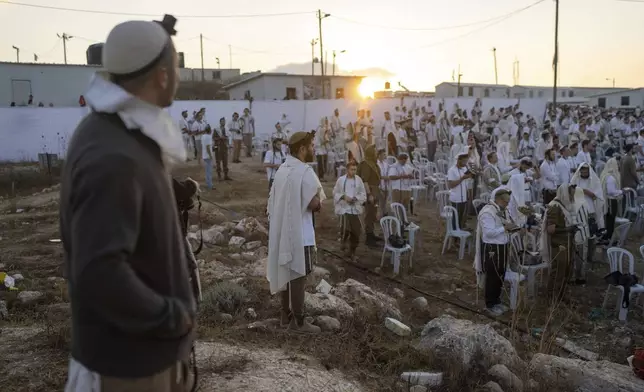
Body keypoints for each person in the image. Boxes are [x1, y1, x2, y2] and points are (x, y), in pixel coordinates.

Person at [61, 15, 196, 391]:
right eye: (176, 67)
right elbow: (99, 272)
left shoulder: (117, 132)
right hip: (130, 369)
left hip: (138, 359)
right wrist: (172, 316)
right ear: (163, 76)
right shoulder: (114, 155)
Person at [267, 131, 325, 333]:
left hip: (284, 231)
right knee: (298, 273)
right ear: (302, 149)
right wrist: (318, 204)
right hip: (301, 233)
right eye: (311, 146)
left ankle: (286, 316)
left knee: (287, 270)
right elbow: (313, 202)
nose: (313, 149)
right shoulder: (304, 171)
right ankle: (299, 321)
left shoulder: (283, 170)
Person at [474, 187, 513, 316]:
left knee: (500, 274)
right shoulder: (487, 212)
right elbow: (489, 233)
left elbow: (505, 224)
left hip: (502, 246)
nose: (507, 204)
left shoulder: (501, 210)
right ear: (498, 199)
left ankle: (497, 301)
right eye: (505, 202)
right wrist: (504, 228)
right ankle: (490, 304)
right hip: (492, 248)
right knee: (493, 276)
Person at [539, 184, 578, 304]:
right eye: (570, 193)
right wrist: (568, 229)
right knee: (558, 272)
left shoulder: (564, 205)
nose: (572, 196)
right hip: (559, 244)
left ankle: (561, 295)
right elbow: (551, 229)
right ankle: (552, 298)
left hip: (567, 242)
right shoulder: (555, 207)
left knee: (566, 270)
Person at [333, 161, 367, 260]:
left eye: (355, 169)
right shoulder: (341, 180)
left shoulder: (359, 180)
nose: (353, 171)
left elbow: (363, 194)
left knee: (356, 231)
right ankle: (343, 244)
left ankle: (352, 250)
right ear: (347, 169)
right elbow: (335, 192)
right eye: (352, 169)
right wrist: (344, 197)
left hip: (355, 209)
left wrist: (356, 198)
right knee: (345, 229)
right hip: (344, 209)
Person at [357, 145, 383, 247]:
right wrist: (369, 194)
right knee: (369, 215)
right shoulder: (366, 164)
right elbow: (365, 181)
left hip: (375, 190)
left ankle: (371, 234)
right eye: (374, 151)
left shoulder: (373, 163)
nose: (376, 153)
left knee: (373, 214)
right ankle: (369, 238)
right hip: (370, 191)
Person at [447, 149, 473, 229]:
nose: (465, 163)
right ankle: (454, 237)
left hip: (464, 198)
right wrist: (462, 178)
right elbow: (451, 185)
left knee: (461, 217)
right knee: (455, 219)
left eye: (466, 161)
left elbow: (467, 183)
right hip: (456, 198)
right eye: (464, 161)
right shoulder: (452, 170)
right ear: (459, 160)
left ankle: (459, 233)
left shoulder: (465, 169)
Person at [600, 157, 623, 242]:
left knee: (609, 220)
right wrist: (621, 192)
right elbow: (611, 192)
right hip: (611, 201)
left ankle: (608, 237)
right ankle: (608, 238)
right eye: (617, 164)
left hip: (608, 201)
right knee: (610, 220)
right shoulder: (611, 178)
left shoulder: (605, 175)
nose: (618, 166)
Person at [213, 117, 232, 181]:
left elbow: (228, 138)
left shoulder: (226, 129)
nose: (223, 122)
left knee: (225, 162)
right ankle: (219, 176)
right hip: (218, 147)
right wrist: (220, 138)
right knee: (218, 162)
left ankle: (226, 176)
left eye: (224, 121)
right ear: (220, 122)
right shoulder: (216, 129)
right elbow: (214, 138)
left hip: (224, 147)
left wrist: (227, 141)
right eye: (222, 121)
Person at [201, 123, 214, 189]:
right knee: (209, 171)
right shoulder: (209, 137)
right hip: (208, 156)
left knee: (207, 171)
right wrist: (211, 156)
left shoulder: (203, 136)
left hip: (204, 156)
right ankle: (210, 185)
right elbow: (208, 147)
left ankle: (208, 183)